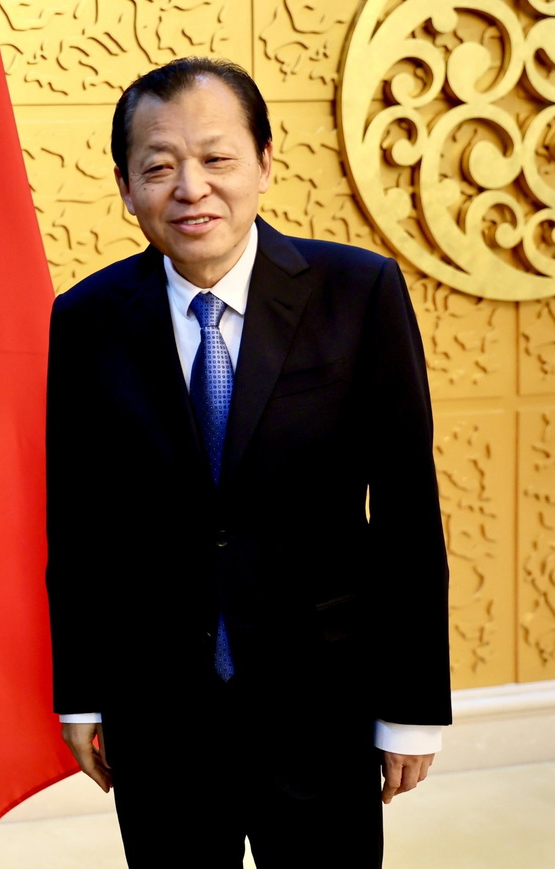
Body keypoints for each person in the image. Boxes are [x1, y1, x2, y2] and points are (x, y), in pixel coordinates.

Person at [45, 58, 451, 868]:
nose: (191, 188)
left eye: (216, 158)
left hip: (321, 702)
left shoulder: (358, 292)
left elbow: (407, 510)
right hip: (158, 711)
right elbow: (78, 524)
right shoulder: (86, 319)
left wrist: (411, 707)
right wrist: (82, 696)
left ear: (265, 162)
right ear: (125, 188)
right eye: (158, 167)